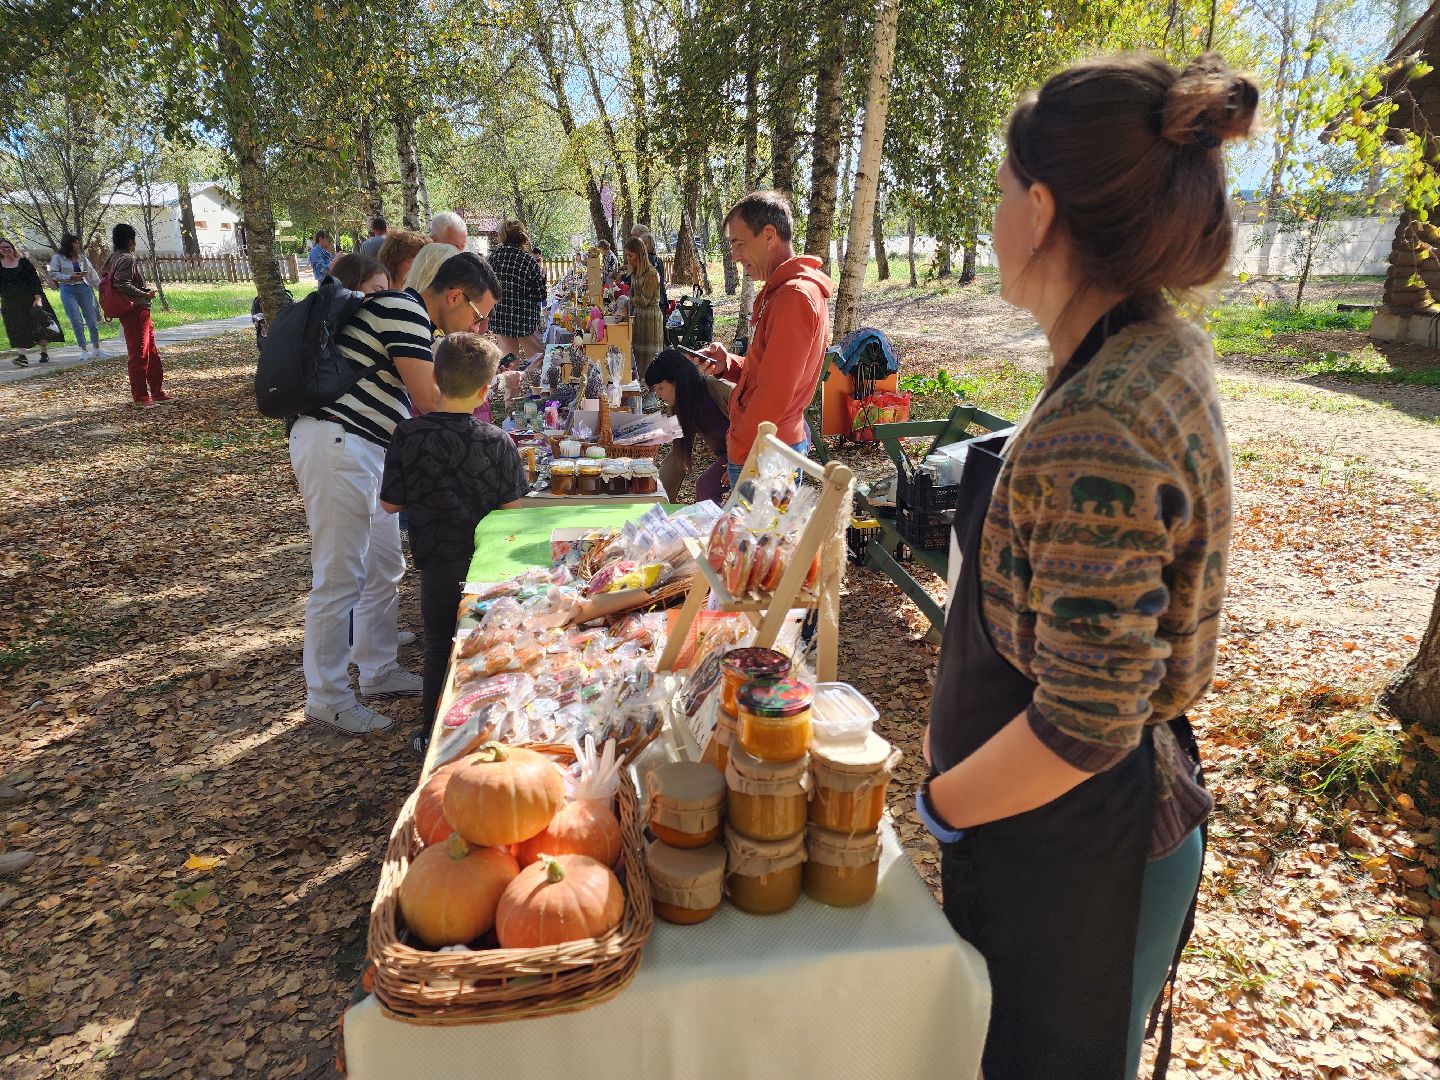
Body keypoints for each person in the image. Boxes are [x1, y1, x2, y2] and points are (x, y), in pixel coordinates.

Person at [915, 54, 1256, 1080]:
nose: (993, 216)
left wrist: (940, 811)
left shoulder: (1101, 419)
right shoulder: (1142, 348)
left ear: (1042, 210)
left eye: (1002, 192)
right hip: (1079, 833)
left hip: (1080, 854)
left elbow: (1085, 723)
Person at [289, 251, 501, 735]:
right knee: (339, 575)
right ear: (454, 296)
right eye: (478, 314)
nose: (479, 325)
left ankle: (378, 668)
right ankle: (327, 695)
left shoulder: (413, 320)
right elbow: (431, 400)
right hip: (339, 442)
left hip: (368, 448)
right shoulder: (404, 311)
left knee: (385, 564)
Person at [380, 332, 528, 757]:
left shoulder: (408, 434)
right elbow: (513, 508)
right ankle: (486, 734)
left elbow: (390, 503)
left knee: (438, 645)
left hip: (436, 562)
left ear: (436, 379)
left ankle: (430, 733)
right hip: (486, 567)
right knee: (487, 650)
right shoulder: (497, 441)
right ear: (485, 389)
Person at [695, 191, 832, 484]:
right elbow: (768, 372)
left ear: (769, 235)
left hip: (767, 454)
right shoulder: (783, 292)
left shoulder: (793, 297)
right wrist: (727, 364)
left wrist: (741, 449)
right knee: (758, 532)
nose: (734, 255)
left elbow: (774, 395)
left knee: (759, 532)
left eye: (739, 243)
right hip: (765, 449)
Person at [644, 349, 731, 504]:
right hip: (731, 457)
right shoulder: (680, 408)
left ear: (677, 381)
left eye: (660, 388)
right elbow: (677, 457)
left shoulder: (717, 390)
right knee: (706, 486)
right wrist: (657, 500)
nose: (658, 396)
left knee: (707, 485)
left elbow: (752, 425)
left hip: (754, 450)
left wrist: (737, 462)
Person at [102, 224, 171, 406]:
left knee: (151, 352)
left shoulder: (112, 258)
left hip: (138, 310)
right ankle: (141, 397)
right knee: (139, 353)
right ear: (130, 241)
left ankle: (157, 392)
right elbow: (121, 284)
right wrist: (144, 294)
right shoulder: (127, 259)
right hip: (134, 310)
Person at [488, 220, 548, 362]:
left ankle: (511, 385)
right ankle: (537, 384)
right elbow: (540, 295)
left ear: (503, 236)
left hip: (501, 318)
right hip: (525, 320)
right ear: (522, 237)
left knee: (509, 363)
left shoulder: (493, 258)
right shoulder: (528, 260)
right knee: (538, 361)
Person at [0, 238, 58, 368]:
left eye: (8, 247)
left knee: (38, 325)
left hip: (31, 300)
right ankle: (22, 357)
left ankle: (44, 354)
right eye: (2, 248)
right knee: (16, 328)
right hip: (11, 303)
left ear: (13, 248)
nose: (5, 249)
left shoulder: (24, 262)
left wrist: (38, 298)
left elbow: (34, 281)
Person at [48, 234, 104, 357]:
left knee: (92, 318)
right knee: (76, 320)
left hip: (84, 288)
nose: (77, 245)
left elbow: (92, 275)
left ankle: (96, 348)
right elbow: (52, 273)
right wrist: (69, 277)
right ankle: (83, 350)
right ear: (68, 244)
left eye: (78, 243)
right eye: (74, 243)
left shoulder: (82, 258)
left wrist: (102, 289)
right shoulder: (58, 258)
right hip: (68, 290)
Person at [625, 237, 663, 382]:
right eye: (627, 255)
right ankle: (642, 385)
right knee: (639, 354)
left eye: (631, 255)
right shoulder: (635, 273)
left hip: (651, 318)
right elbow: (633, 295)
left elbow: (643, 300)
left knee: (650, 356)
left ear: (639, 254)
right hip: (639, 316)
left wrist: (628, 300)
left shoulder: (651, 274)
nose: (628, 258)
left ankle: (653, 391)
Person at [631, 225, 668, 314]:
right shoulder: (651, 259)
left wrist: (630, 299)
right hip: (653, 303)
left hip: (653, 306)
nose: (632, 238)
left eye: (634, 235)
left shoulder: (649, 260)